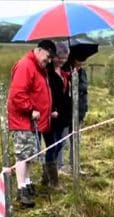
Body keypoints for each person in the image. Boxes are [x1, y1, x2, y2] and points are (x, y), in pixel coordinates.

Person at [7, 40, 56, 208]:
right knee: (22, 156)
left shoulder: (37, 67)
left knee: (30, 155)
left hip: (32, 122)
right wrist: (30, 110)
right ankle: (21, 191)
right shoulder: (26, 66)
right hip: (23, 120)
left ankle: (27, 183)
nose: (48, 61)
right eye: (48, 57)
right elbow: (17, 94)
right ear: (40, 50)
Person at [41, 41, 70, 191]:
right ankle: (53, 182)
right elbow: (46, 94)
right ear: (53, 56)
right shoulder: (47, 73)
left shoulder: (65, 72)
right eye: (59, 57)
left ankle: (46, 176)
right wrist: (51, 110)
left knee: (59, 145)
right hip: (51, 116)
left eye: (65, 57)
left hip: (62, 116)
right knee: (52, 146)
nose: (62, 60)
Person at [60, 50, 89, 175]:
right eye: (79, 59)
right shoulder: (64, 71)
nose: (82, 62)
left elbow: (84, 87)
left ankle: (75, 165)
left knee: (76, 139)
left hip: (79, 111)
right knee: (62, 140)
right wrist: (70, 77)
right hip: (66, 112)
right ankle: (59, 167)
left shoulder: (82, 72)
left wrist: (76, 77)